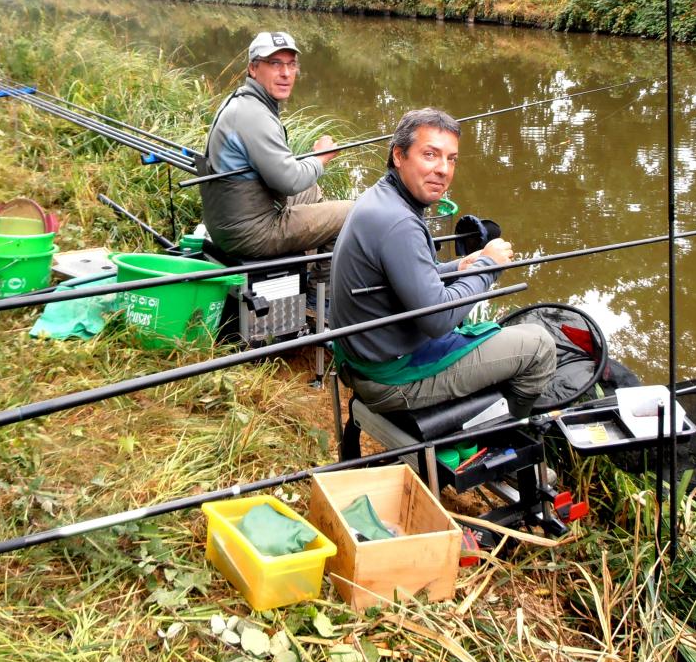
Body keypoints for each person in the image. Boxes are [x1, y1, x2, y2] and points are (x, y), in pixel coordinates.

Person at [330, 107, 555, 418]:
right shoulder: (400, 224)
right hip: (392, 378)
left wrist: (460, 267)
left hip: (362, 358)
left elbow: (411, 277)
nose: (443, 169)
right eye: (430, 155)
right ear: (399, 155)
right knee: (540, 345)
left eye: (451, 159)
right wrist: (487, 267)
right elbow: (437, 320)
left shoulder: (380, 198)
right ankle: (506, 436)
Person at [199, 31, 352, 259]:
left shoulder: (245, 101)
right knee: (351, 214)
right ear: (253, 68)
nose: (286, 73)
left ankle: (306, 260)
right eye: (275, 64)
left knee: (310, 191)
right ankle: (318, 293)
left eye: (291, 65)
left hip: (231, 220)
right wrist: (321, 157)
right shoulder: (253, 115)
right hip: (249, 233)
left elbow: (286, 176)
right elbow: (290, 181)